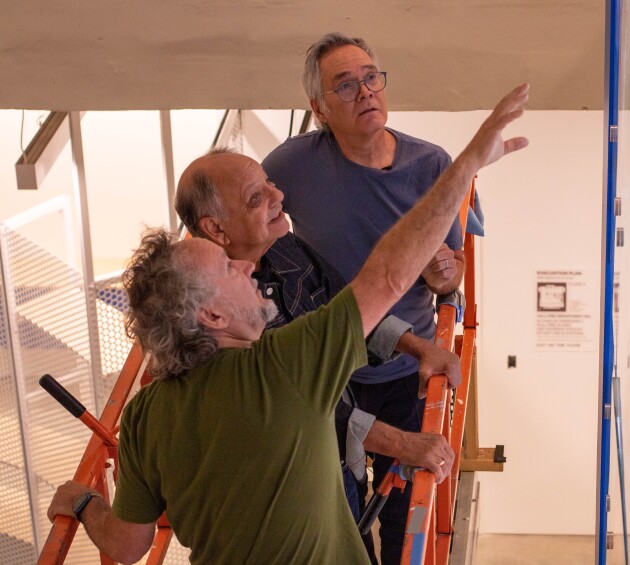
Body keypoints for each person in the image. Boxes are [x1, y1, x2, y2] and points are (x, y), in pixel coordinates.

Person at [46, 83, 530, 564]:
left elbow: (128, 547)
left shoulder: (143, 416)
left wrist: (86, 502)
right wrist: (465, 165)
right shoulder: (282, 365)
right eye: (227, 268)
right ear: (212, 314)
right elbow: (386, 274)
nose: (243, 268)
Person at [172, 148, 459, 558]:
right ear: (216, 229)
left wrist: (418, 349)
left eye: (270, 184)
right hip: (295, 491)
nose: (278, 196)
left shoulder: (283, 246)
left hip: (340, 461)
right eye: (257, 197)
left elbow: (346, 312)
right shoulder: (218, 317)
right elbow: (300, 410)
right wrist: (402, 443)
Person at [262, 32, 465, 563]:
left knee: (405, 519)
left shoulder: (430, 164)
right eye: (345, 85)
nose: (365, 92)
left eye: (371, 77)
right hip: (331, 369)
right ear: (319, 108)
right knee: (341, 514)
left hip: (408, 367)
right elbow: (249, 225)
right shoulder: (288, 167)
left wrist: (445, 274)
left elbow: (452, 275)